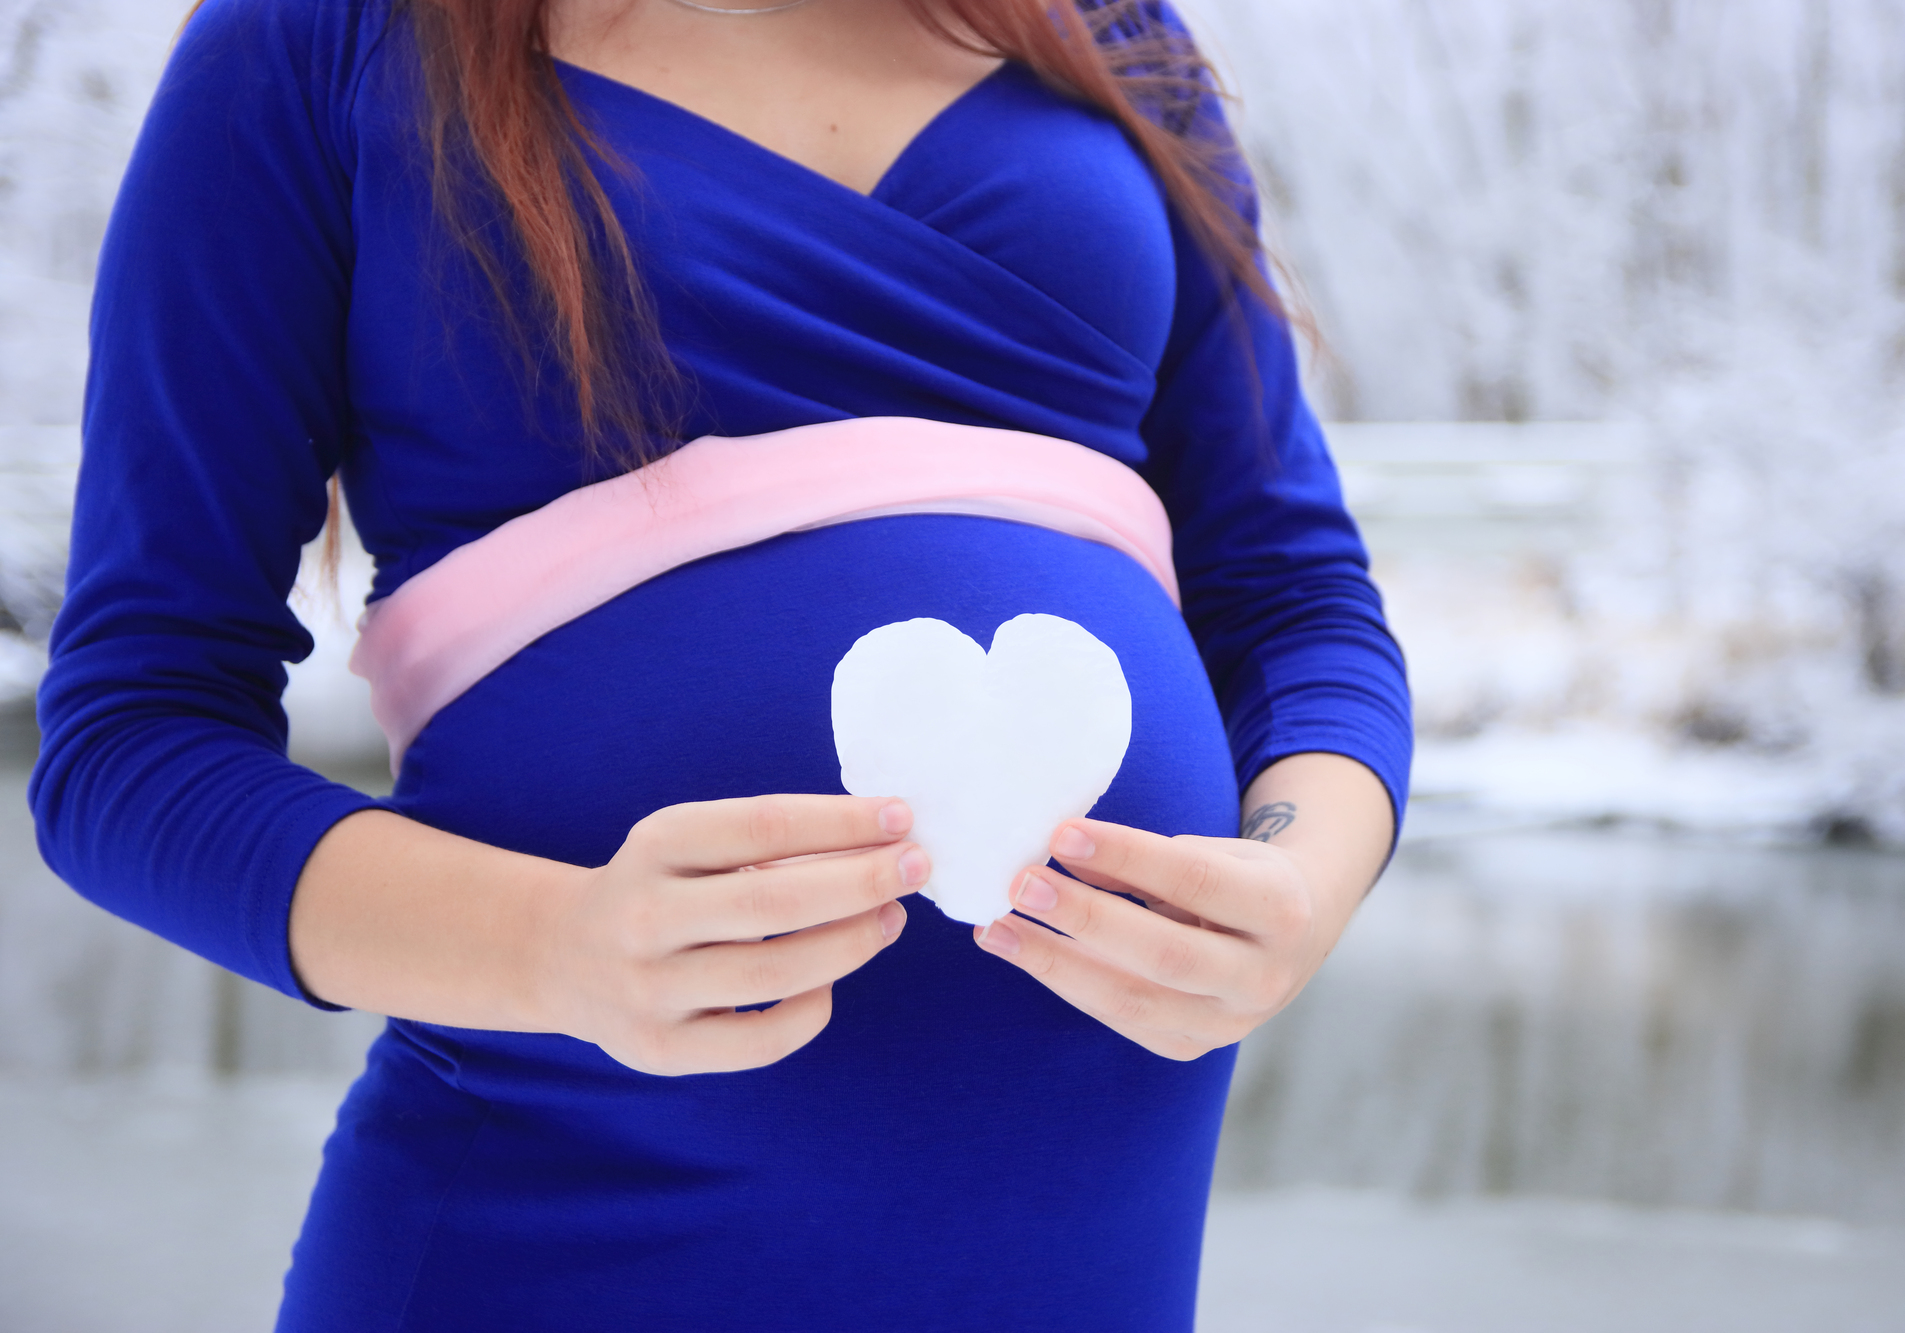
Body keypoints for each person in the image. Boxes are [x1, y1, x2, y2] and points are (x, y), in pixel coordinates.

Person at [30, 0, 1411, 1327]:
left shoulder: (1101, 27)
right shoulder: (315, 39)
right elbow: (131, 737)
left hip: (1078, 1263)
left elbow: (1292, 597)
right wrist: (557, 950)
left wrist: (1297, 878)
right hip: (548, 1240)